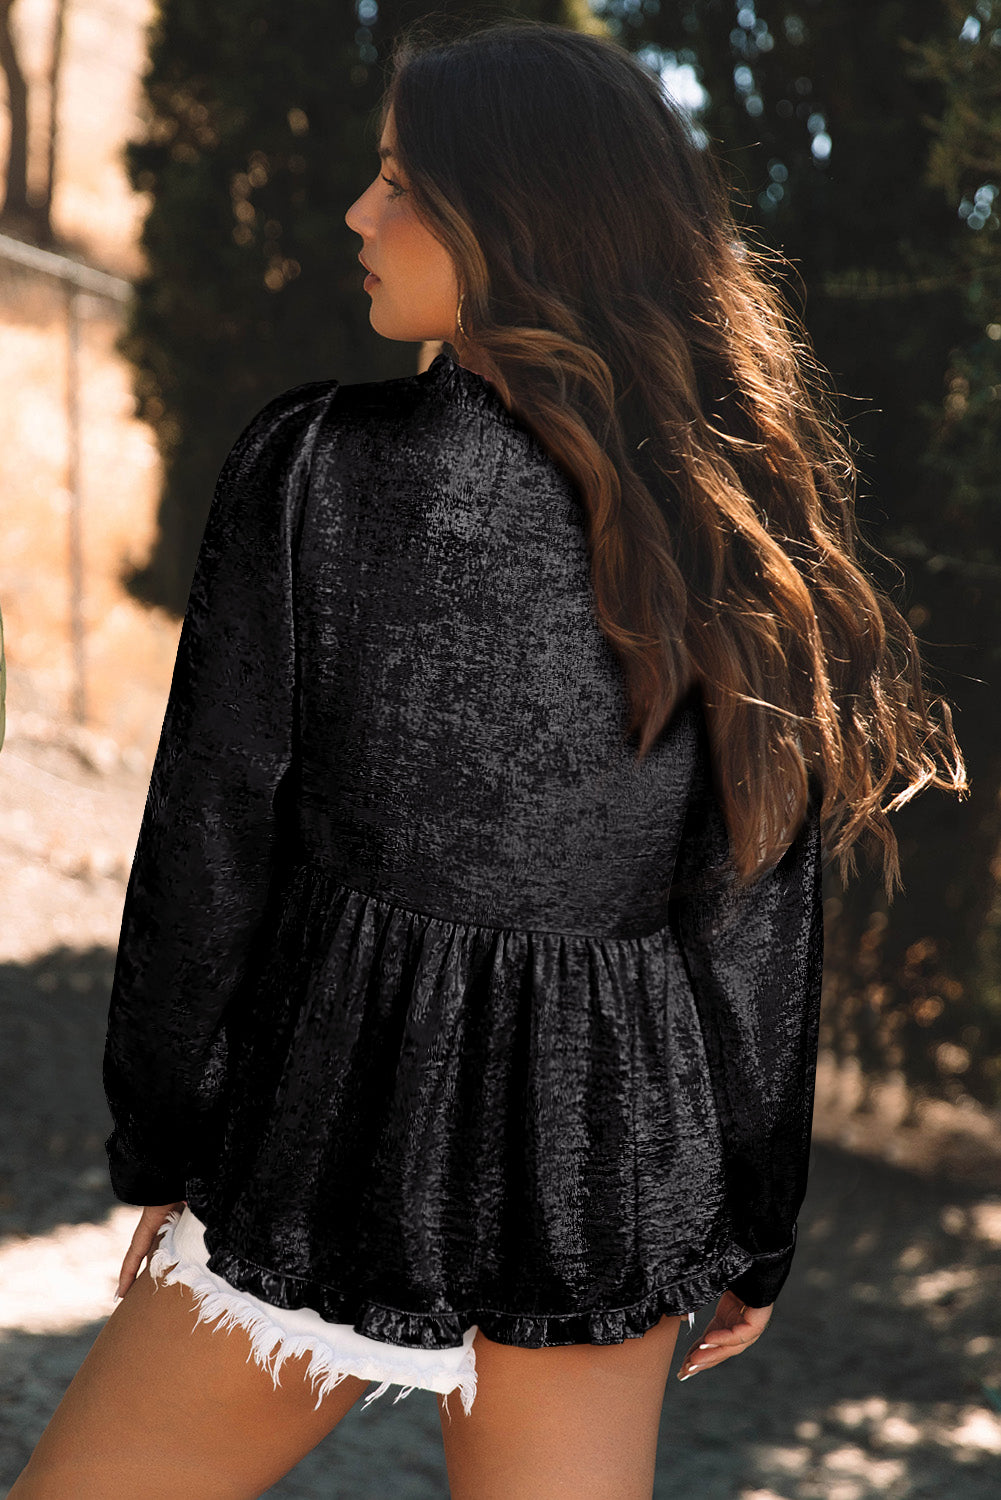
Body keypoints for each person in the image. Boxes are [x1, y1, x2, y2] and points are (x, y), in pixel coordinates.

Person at [10, 17, 968, 1500]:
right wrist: (754, 1223)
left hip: (330, 1123)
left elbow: (213, 839)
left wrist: (165, 1140)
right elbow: (752, 924)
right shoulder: (720, 527)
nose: (357, 213)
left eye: (400, 182)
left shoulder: (317, 466)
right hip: (608, 1158)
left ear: (515, 217)